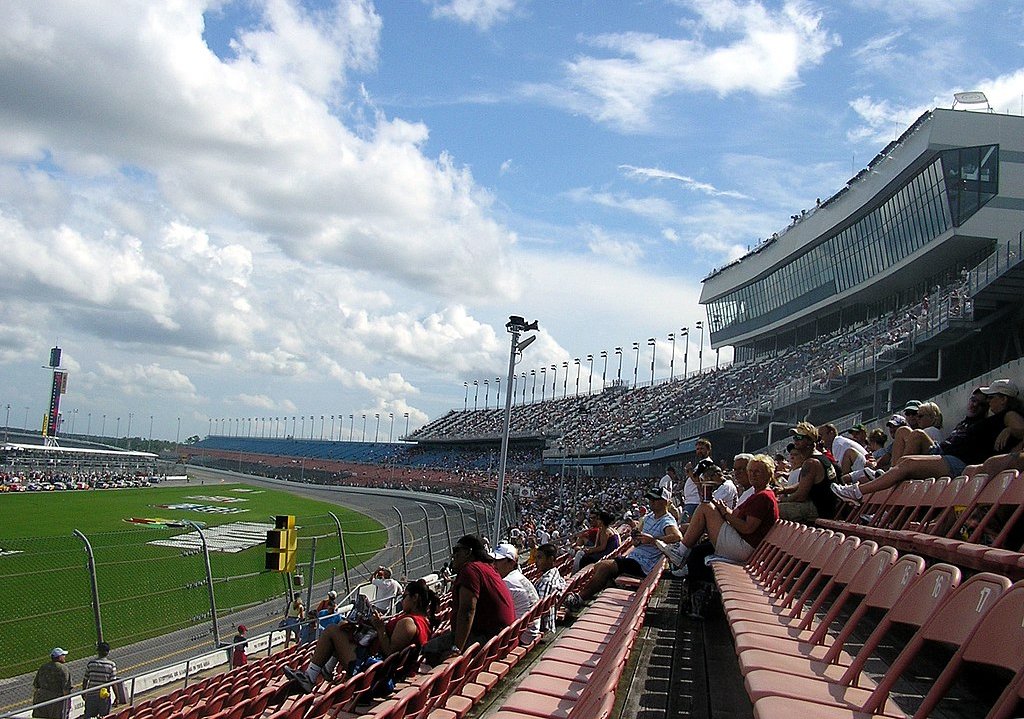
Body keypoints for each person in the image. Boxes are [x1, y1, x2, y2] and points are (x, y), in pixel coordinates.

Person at [833, 381, 1024, 503]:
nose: (988, 402)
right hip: (947, 453)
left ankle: (858, 492)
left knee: (907, 463)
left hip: (958, 461)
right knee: (908, 433)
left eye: (991, 398)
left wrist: (1009, 428)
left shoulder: (1008, 415)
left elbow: (1021, 429)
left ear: (1004, 399)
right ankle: (887, 474)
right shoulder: (990, 418)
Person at [284, 579, 439, 692]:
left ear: (415, 598)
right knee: (345, 631)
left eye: (405, 596)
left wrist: (379, 628)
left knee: (332, 631)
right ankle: (325, 670)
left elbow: (390, 652)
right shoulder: (422, 621)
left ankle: (310, 678)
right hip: (380, 670)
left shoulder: (409, 623)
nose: (402, 600)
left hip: (373, 675)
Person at [564, 487, 682, 609]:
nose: (651, 501)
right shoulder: (649, 517)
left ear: (664, 502)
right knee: (600, 567)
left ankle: (579, 598)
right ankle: (609, 588)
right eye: (650, 499)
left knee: (604, 567)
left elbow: (677, 536)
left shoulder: (667, 520)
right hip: (636, 558)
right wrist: (637, 538)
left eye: (654, 499)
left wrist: (653, 539)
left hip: (644, 563)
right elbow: (639, 538)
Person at [659, 454, 779, 567]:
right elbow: (740, 520)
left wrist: (725, 513)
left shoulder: (763, 497)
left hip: (743, 548)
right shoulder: (758, 494)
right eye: (751, 471)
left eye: (757, 472)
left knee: (705, 507)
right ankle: (681, 552)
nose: (752, 475)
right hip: (742, 544)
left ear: (769, 474)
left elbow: (747, 528)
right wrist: (723, 509)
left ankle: (680, 552)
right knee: (704, 511)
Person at [421, 535, 515, 665]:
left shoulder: (470, 569)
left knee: (428, 649)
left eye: (456, 551)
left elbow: (467, 610)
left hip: (489, 638)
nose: (453, 556)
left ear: (467, 552)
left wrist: (457, 648)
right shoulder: (487, 568)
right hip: (500, 637)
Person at [776, 423, 838, 523]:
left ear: (809, 440)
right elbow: (803, 484)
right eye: (795, 437)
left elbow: (801, 496)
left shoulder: (811, 463)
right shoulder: (819, 457)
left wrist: (781, 501)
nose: (795, 440)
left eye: (799, 437)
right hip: (826, 507)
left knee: (772, 510)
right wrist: (784, 490)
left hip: (820, 509)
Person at [489, 543, 541, 645]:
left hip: (522, 636)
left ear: (511, 563)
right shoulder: (517, 577)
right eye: (493, 561)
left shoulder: (507, 582)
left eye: (498, 561)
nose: (494, 564)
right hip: (531, 630)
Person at [82, 642, 125, 719]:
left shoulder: (91, 663)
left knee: (89, 716)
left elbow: (85, 680)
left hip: (91, 694)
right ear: (107, 652)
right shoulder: (111, 665)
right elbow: (113, 682)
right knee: (104, 716)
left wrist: (83, 692)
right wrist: (117, 697)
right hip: (104, 696)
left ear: (98, 651)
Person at [533, 543, 567, 633]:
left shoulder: (547, 582)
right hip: (549, 624)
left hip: (542, 627)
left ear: (551, 559)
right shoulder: (555, 573)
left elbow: (538, 611)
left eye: (539, 558)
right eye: (536, 558)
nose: (536, 561)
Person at [32, 648, 71, 719]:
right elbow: (66, 689)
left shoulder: (43, 667)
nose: (65, 657)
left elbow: (36, 685)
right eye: (63, 655)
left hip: (41, 698)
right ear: (59, 657)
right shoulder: (63, 669)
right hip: (56, 700)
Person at [681, 439, 716, 520]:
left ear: (708, 450)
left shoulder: (706, 463)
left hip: (694, 501)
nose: (699, 451)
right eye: (697, 449)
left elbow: (696, 479)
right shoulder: (701, 463)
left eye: (702, 449)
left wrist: (689, 470)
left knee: (685, 525)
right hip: (691, 501)